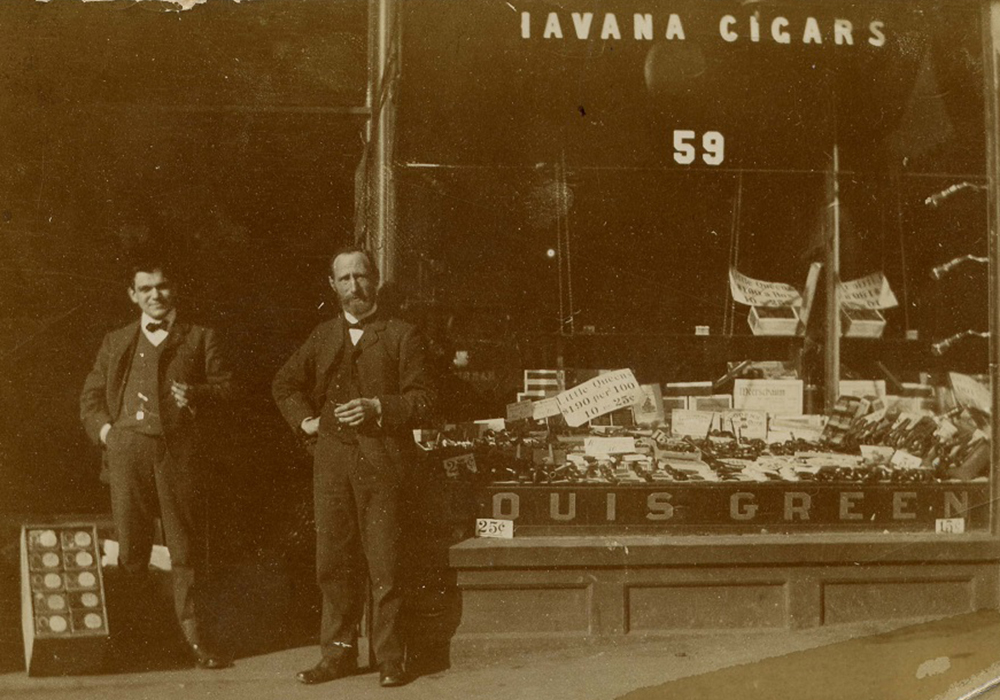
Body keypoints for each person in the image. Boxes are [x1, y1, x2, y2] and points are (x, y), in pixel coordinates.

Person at [272, 247, 434, 688]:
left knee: (387, 564)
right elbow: (284, 384)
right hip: (331, 467)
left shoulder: (403, 334)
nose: (354, 287)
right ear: (333, 285)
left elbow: (424, 399)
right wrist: (306, 422)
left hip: (384, 465)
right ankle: (337, 655)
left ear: (376, 279)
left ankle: (391, 657)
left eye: (361, 277)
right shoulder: (323, 336)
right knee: (334, 563)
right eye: (344, 279)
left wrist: (379, 406)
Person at [80, 259, 232, 670]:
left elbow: (229, 390)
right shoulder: (116, 341)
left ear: (175, 288)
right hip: (127, 453)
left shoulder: (201, 338)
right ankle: (132, 642)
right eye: (145, 289)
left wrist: (197, 395)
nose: (155, 295)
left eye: (162, 287)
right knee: (131, 548)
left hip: (177, 455)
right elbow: (90, 398)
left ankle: (196, 641)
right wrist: (109, 435)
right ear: (133, 295)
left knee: (184, 550)